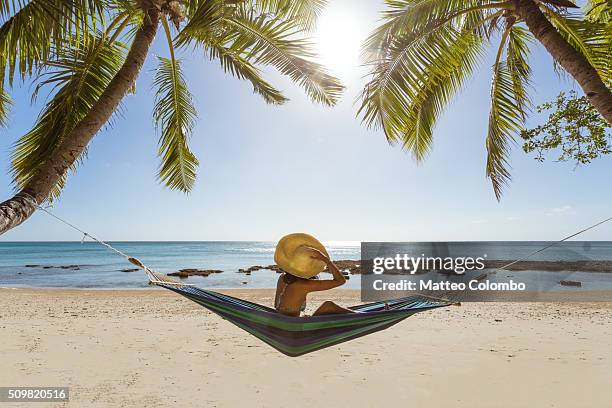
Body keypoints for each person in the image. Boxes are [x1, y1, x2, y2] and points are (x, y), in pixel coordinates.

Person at [273, 233, 356, 317]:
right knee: (328, 305)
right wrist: (326, 261)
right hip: (293, 324)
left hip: (280, 318)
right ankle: (361, 317)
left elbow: (277, 305)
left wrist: (298, 313)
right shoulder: (304, 285)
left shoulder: (283, 278)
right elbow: (340, 281)